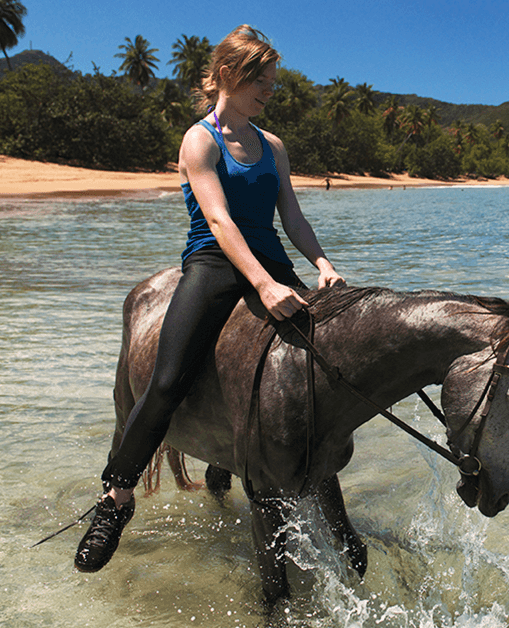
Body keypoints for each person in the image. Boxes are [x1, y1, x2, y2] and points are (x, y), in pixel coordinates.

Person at [74, 25, 345, 573]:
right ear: (226, 75)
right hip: (214, 265)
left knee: (326, 375)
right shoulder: (201, 139)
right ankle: (115, 499)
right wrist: (264, 286)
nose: (269, 91)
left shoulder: (272, 146)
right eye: (259, 81)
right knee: (166, 380)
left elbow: (291, 215)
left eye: (272, 82)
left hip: (272, 264)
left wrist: (322, 264)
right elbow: (220, 221)